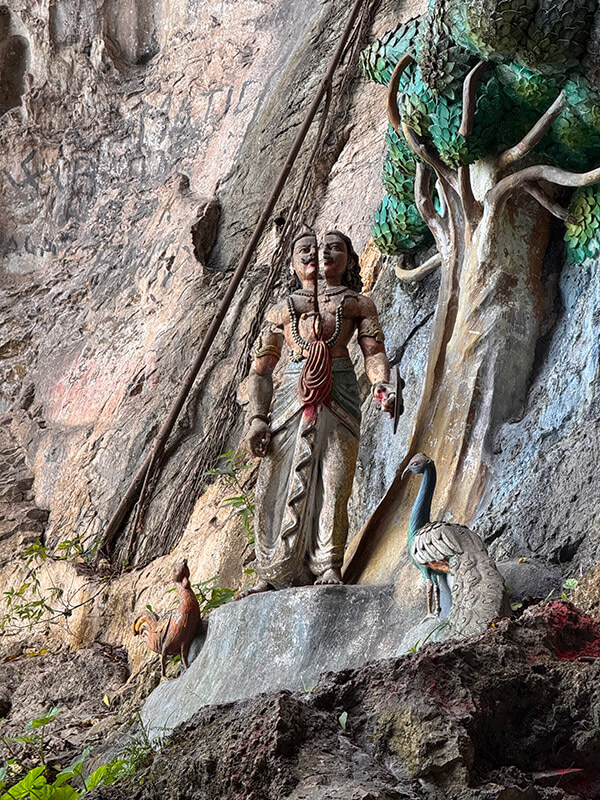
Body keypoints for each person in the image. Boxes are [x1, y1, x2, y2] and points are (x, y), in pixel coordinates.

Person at [239, 230, 399, 596]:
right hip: (289, 398)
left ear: (349, 260)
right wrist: (257, 418)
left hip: (339, 392)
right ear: (293, 264)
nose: (319, 254)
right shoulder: (281, 312)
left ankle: (327, 564)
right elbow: (261, 371)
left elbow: (373, 353)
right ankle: (270, 569)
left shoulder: (359, 304)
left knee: (335, 477)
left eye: (332, 248)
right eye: (306, 249)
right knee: (275, 480)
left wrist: (380, 383)